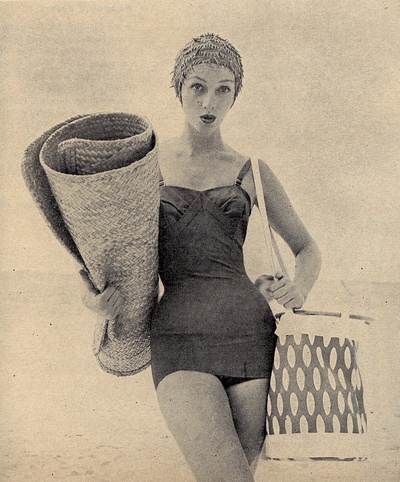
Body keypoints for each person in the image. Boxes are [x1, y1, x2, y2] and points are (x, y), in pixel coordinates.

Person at [80, 33, 321, 482]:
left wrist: (299, 288)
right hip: (178, 338)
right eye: (198, 87)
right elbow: (96, 256)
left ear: (236, 94)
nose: (210, 102)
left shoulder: (252, 170)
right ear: (179, 88)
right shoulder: (146, 167)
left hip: (252, 338)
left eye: (223, 89)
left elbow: (307, 248)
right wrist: (94, 301)